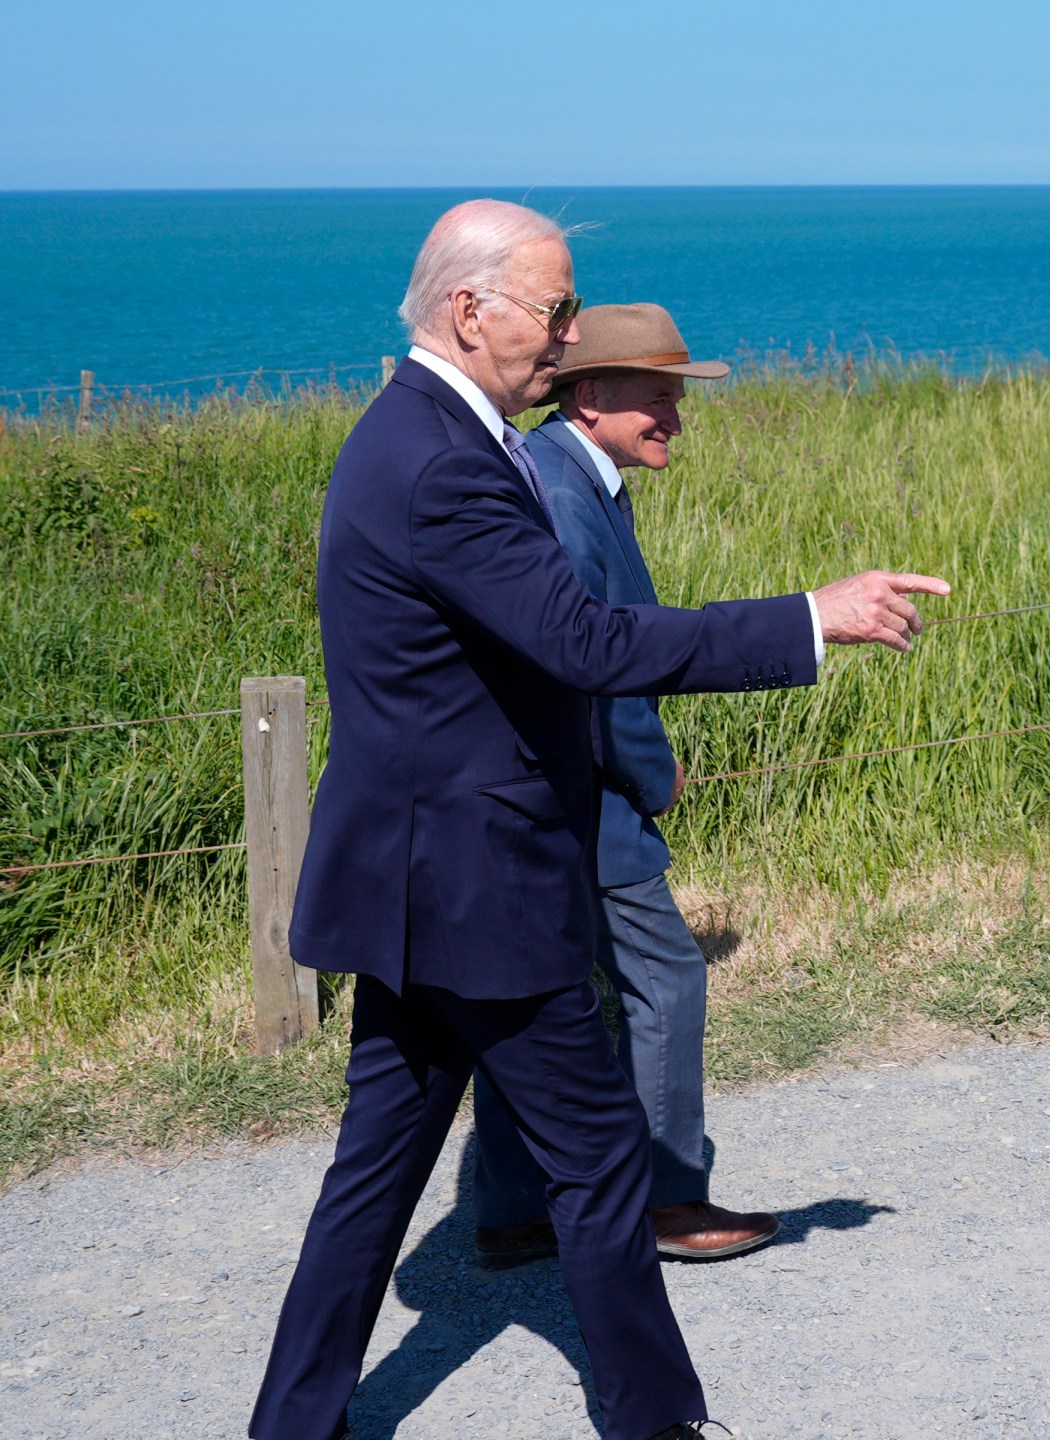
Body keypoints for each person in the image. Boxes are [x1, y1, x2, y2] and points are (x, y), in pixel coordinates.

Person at [248, 198, 949, 1440]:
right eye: (555, 307)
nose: (566, 335)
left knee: (373, 1179)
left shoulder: (409, 433)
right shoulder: (443, 462)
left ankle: (294, 1422)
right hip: (479, 887)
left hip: (417, 885)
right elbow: (583, 641)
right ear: (473, 311)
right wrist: (808, 616)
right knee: (599, 1165)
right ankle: (655, 1420)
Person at [470, 303, 776, 1267]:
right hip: (585, 793)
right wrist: (650, 775)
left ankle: (516, 1211)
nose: (676, 420)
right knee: (666, 977)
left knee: (539, 996)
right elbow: (596, 670)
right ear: (592, 396)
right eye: (659, 399)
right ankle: (667, 1203)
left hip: (547, 788)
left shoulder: (570, 472)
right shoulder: (566, 499)